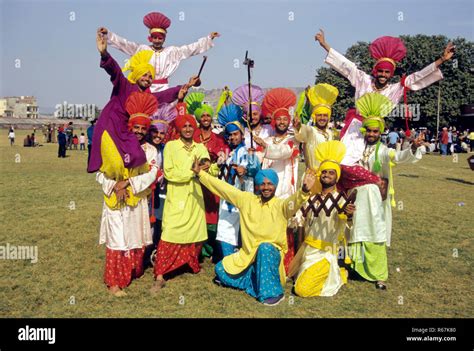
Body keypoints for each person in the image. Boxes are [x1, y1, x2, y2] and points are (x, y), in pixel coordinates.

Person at [195, 165, 316, 305]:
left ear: (275, 186)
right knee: (220, 269)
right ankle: (255, 283)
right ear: (257, 186)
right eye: (262, 184)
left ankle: (272, 293)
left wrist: (304, 191)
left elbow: (293, 202)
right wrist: (201, 174)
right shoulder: (247, 200)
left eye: (270, 184)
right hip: (248, 257)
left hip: (270, 256)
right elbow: (224, 189)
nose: (266, 187)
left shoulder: (281, 206)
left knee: (265, 248)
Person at [88, 30, 199, 175]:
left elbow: (163, 95)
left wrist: (187, 86)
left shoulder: (147, 96)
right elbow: (115, 71)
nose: (147, 78)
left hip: (129, 131)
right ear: (137, 75)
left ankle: (134, 188)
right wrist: (104, 54)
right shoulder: (125, 85)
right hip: (112, 126)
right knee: (114, 164)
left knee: (138, 157)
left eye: (150, 77)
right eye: (144, 75)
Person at [347, 93, 426, 290]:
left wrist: (412, 148)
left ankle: (379, 274)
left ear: (380, 132)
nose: (372, 134)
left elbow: (397, 156)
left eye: (375, 131)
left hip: (375, 201)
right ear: (364, 131)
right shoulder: (356, 148)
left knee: (375, 232)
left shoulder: (382, 150)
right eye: (369, 131)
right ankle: (356, 267)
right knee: (356, 231)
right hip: (357, 198)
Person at [96, 92, 159, 296]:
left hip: (136, 201)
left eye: (143, 128)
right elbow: (99, 173)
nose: (139, 132)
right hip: (115, 201)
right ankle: (114, 282)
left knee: (134, 237)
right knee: (117, 239)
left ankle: (131, 272)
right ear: (129, 127)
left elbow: (151, 174)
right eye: (136, 128)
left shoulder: (151, 151)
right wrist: (115, 186)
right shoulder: (115, 145)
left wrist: (128, 183)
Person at [151, 113, 210, 291]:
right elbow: (169, 174)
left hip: (195, 197)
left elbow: (207, 163)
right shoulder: (171, 146)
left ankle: (189, 264)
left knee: (195, 233)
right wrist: (192, 172)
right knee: (170, 232)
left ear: (195, 128)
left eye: (190, 126)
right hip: (177, 197)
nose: (187, 129)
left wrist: (207, 165)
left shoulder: (199, 147)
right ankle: (160, 274)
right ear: (178, 129)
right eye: (184, 126)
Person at [289, 141, 355, 297]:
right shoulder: (313, 198)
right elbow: (301, 218)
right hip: (308, 249)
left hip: (325, 252)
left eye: (331, 173)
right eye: (324, 172)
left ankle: (335, 276)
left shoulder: (340, 199)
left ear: (337, 177)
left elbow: (345, 220)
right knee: (292, 278)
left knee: (301, 290)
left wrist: (348, 214)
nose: (326, 175)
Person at [98, 11, 220, 92]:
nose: (157, 40)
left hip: (163, 89)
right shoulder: (142, 49)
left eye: (160, 38)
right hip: (143, 87)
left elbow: (190, 49)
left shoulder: (172, 52)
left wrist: (208, 38)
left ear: (164, 39)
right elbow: (123, 43)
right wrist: (108, 34)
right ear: (150, 38)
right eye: (154, 37)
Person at [252, 87, 300, 273]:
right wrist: (253, 154)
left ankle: (285, 265)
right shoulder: (268, 139)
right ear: (274, 121)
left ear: (288, 122)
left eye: (284, 119)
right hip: (267, 189)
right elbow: (259, 160)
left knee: (285, 228)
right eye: (278, 119)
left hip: (286, 187)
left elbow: (284, 153)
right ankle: (266, 263)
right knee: (267, 225)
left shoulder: (292, 140)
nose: (281, 122)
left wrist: (264, 147)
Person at [186, 92, 230, 261]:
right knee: (195, 214)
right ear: (198, 118)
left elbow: (223, 154)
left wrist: (211, 163)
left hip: (211, 181)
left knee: (212, 215)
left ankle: (212, 248)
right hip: (192, 180)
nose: (205, 118)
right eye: (202, 115)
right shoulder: (192, 135)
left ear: (211, 118)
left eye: (208, 115)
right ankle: (197, 250)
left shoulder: (218, 138)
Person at [214, 104, 255, 260]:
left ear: (242, 134)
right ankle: (229, 263)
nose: (232, 137)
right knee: (225, 229)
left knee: (243, 230)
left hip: (242, 196)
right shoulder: (229, 153)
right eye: (229, 135)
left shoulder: (248, 151)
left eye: (235, 134)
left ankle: (240, 263)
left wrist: (246, 169)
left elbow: (255, 169)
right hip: (228, 199)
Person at [293, 83, 339, 170]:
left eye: (325, 115)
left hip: (328, 177)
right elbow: (302, 131)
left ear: (328, 117)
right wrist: (298, 125)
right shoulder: (311, 131)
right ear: (314, 117)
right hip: (312, 176)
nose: (322, 118)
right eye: (319, 115)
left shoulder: (331, 133)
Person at [232, 84, 273, 151]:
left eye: (255, 114)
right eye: (249, 115)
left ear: (260, 114)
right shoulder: (243, 132)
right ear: (245, 117)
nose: (252, 117)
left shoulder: (269, 129)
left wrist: (264, 144)